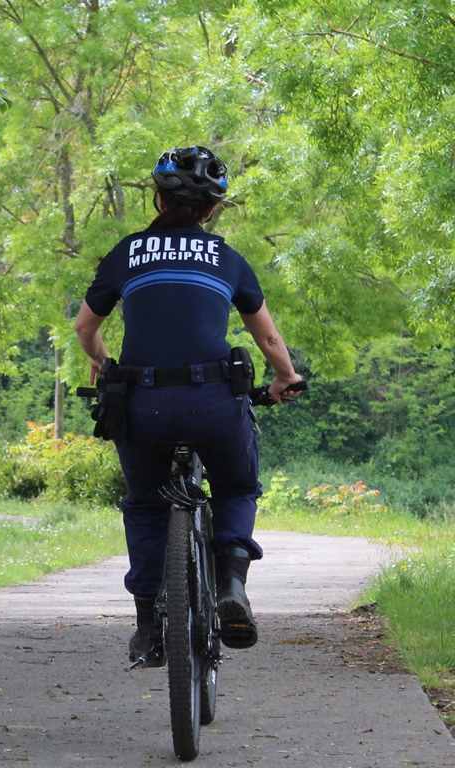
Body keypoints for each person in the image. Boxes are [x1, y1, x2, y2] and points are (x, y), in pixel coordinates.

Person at [75, 145, 302, 659]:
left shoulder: (127, 253)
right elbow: (267, 340)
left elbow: (86, 327)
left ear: (158, 199)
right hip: (213, 403)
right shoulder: (227, 259)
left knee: (145, 507)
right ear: (211, 209)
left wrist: (100, 360)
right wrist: (285, 377)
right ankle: (231, 584)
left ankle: (149, 628)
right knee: (237, 486)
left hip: (142, 404)